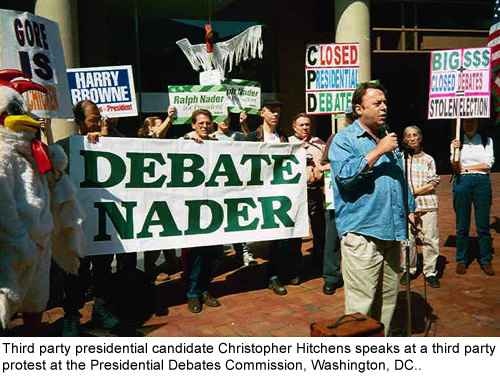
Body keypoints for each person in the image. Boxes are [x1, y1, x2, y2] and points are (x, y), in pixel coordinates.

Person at [330, 82, 415, 335]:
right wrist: (379, 150)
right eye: (377, 103)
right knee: (361, 304)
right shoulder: (344, 139)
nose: (384, 107)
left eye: (385, 103)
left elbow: (398, 177)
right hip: (362, 232)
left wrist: (409, 208)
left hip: (392, 230)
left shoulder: (388, 137)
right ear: (359, 108)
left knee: (388, 300)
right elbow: (345, 176)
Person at [58, 100, 123, 336]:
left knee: (104, 270)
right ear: (78, 121)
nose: (97, 122)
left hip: (104, 223)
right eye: (92, 119)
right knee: (77, 272)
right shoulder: (63, 147)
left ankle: (101, 310)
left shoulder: (111, 146)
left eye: (99, 118)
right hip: (78, 225)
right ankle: (72, 316)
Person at [245, 98, 302, 295]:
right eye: (271, 110)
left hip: (279, 195)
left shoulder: (284, 138)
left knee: (281, 237)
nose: (275, 114)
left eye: (277, 111)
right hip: (258, 195)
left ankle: (277, 274)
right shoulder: (252, 137)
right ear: (262, 113)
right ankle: (272, 275)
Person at [182, 109, 223, 313]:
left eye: (208, 123)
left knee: (214, 253)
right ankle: (193, 294)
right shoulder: (184, 142)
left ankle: (206, 288)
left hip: (215, 206)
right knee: (197, 254)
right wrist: (188, 142)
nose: (205, 126)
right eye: (201, 124)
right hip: (194, 209)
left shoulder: (216, 143)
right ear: (193, 125)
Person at [137, 107, 181, 282]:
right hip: (150, 195)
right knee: (155, 232)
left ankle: (171, 259)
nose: (162, 126)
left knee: (167, 227)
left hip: (165, 192)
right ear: (149, 129)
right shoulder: (145, 142)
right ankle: (150, 268)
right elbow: (155, 138)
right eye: (158, 125)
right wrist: (169, 119)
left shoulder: (166, 143)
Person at [210, 113, 257, 267]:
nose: (224, 121)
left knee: (236, 219)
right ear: (215, 120)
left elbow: (251, 142)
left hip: (235, 184)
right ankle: (217, 257)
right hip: (216, 185)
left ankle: (242, 251)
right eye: (220, 118)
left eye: (227, 118)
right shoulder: (210, 136)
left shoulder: (237, 135)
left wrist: (243, 123)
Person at [450, 119, 495, 276]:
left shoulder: (485, 140)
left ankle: (485, 259)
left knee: (483, 224)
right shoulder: (457, 141)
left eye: (472, 122)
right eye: (466, 122)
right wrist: (456, 152)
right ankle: (462, 259)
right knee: (462, 224)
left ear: (477, 123)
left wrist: (466, 168)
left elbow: (488, 164)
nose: (469, 125)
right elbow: (455, 167)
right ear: (462, 125)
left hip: (481, 182)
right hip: (462, 182)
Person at [319, 106, 355, 295]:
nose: (352, 119)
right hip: (337, 197)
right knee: (332, 237)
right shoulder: (336, 138)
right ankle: (331, 277)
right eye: (350, 117)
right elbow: (323, 164)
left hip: (360, 199)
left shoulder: (373, 139)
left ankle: (354, 276)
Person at [400, 125, 441, 288]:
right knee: (407, 240)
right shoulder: (401, 159)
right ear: (404, 139)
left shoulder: (428, 159)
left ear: (420, 138)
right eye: (408, 136)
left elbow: (433, 183)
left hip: (427, 204)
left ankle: (430, 271)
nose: (411, 138)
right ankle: (409, 269)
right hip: (407, 207)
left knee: (430, 239)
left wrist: (413, 192)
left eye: (414, 135)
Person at [289, 113, 326, 268]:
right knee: (296, 231)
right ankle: (295, 264)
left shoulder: (320, 143)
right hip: (296, 193)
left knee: (319, 228)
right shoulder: (288, 143)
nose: (305, 127)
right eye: (301, 125)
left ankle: (319, 261)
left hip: (316, 191)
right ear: (294, 127)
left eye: (307, 124)